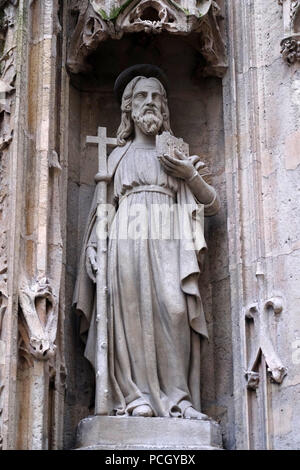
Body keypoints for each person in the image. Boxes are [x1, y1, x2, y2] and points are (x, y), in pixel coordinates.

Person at [73, 65, 220, 420]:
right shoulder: (117, 155)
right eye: (142, 96)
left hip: (169, 239)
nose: (150, 102)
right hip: (126, 241)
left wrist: (190, 174)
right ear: (129, 107)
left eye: (157, 97)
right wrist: (94, 247)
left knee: (174, 308)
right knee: (129, 315)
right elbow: (102, 210)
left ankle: (179, 399)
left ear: (165, 108)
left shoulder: (177, 154)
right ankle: (133, 396)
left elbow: (211, 205)